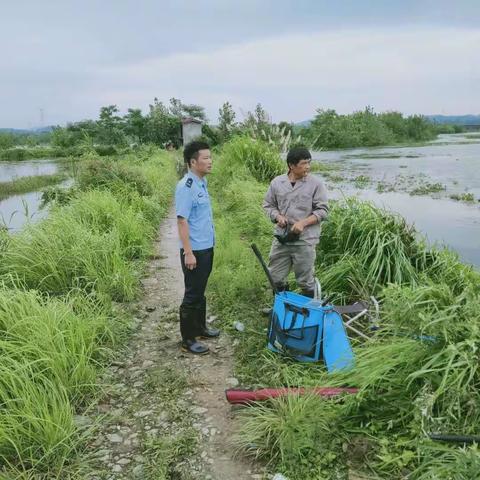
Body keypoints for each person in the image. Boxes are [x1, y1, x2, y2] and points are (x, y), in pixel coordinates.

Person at [262, 146, 328, 298]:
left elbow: (323, 211)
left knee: (305, 281)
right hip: (282, 239)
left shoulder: (316, 184)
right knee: (275, 277)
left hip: (305, 240)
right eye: (304, 163)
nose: (308, 167)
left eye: (309, 163)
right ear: (291, 165)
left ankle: (308, 312)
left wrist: (303, 223)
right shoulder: (277, 182)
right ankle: (282, 309)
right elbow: (268, 205)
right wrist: (278, 217)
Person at [175, 140, 220, 354]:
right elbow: (182, 220)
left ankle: (201, 328)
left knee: (201, 290)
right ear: (193, 162)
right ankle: (188, 339)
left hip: (206, 246)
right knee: (192, 294)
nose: (210, 161)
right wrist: (189, 252)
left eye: (210, 157)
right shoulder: (186, 186)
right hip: (195, 250)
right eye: (206, 158)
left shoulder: (202, 182)